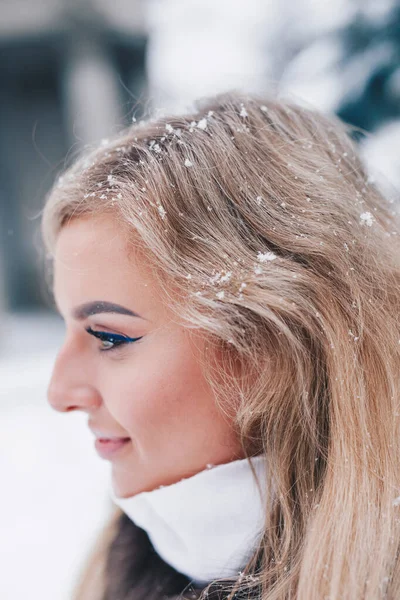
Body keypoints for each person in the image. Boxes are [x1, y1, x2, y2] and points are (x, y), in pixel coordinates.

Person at [41, 91, 400, 600]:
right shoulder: (110, 571)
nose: (61, 392)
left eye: (109, 336)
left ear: (273, 342)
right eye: (66, 328)